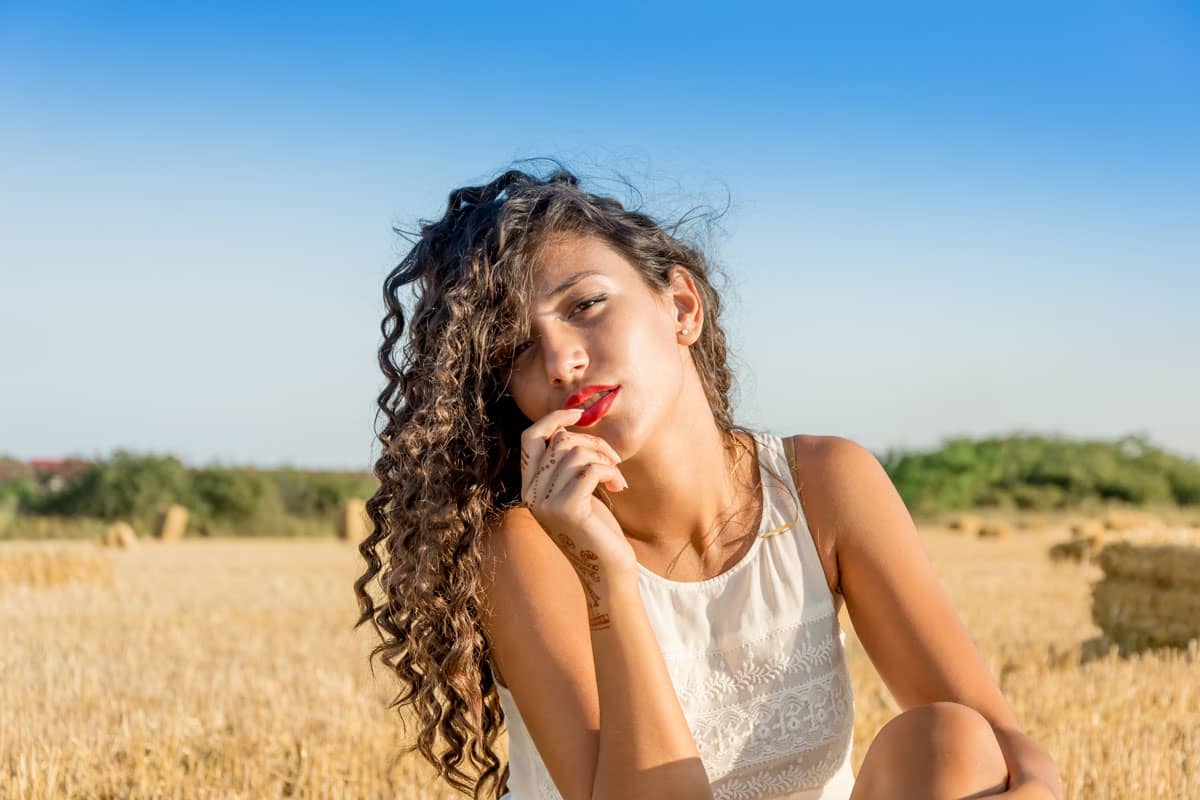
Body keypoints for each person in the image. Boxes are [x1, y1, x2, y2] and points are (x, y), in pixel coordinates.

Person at [353, 160, 1064, 800]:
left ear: (682, 308)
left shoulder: (824, 483)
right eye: (518, 348)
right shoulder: (523, 549)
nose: (563, 361)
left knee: (955, 744)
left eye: (585, 306)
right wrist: (606, 575)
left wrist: (1033, 785)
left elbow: (1001, 744)